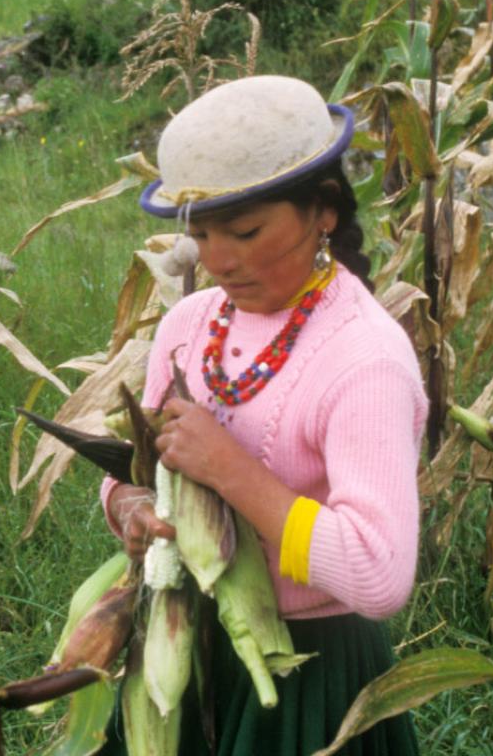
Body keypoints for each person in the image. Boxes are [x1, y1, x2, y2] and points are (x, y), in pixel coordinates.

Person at [99, 75, 423, 756]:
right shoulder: (188, 326)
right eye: (203, 234)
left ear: (323, 210)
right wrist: (129, 507)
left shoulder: (364, 359)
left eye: (244, 231)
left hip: (308, 677)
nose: (219, 260)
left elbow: (379, 573)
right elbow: (140, 471)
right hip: (183, 647)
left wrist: (233, 472)